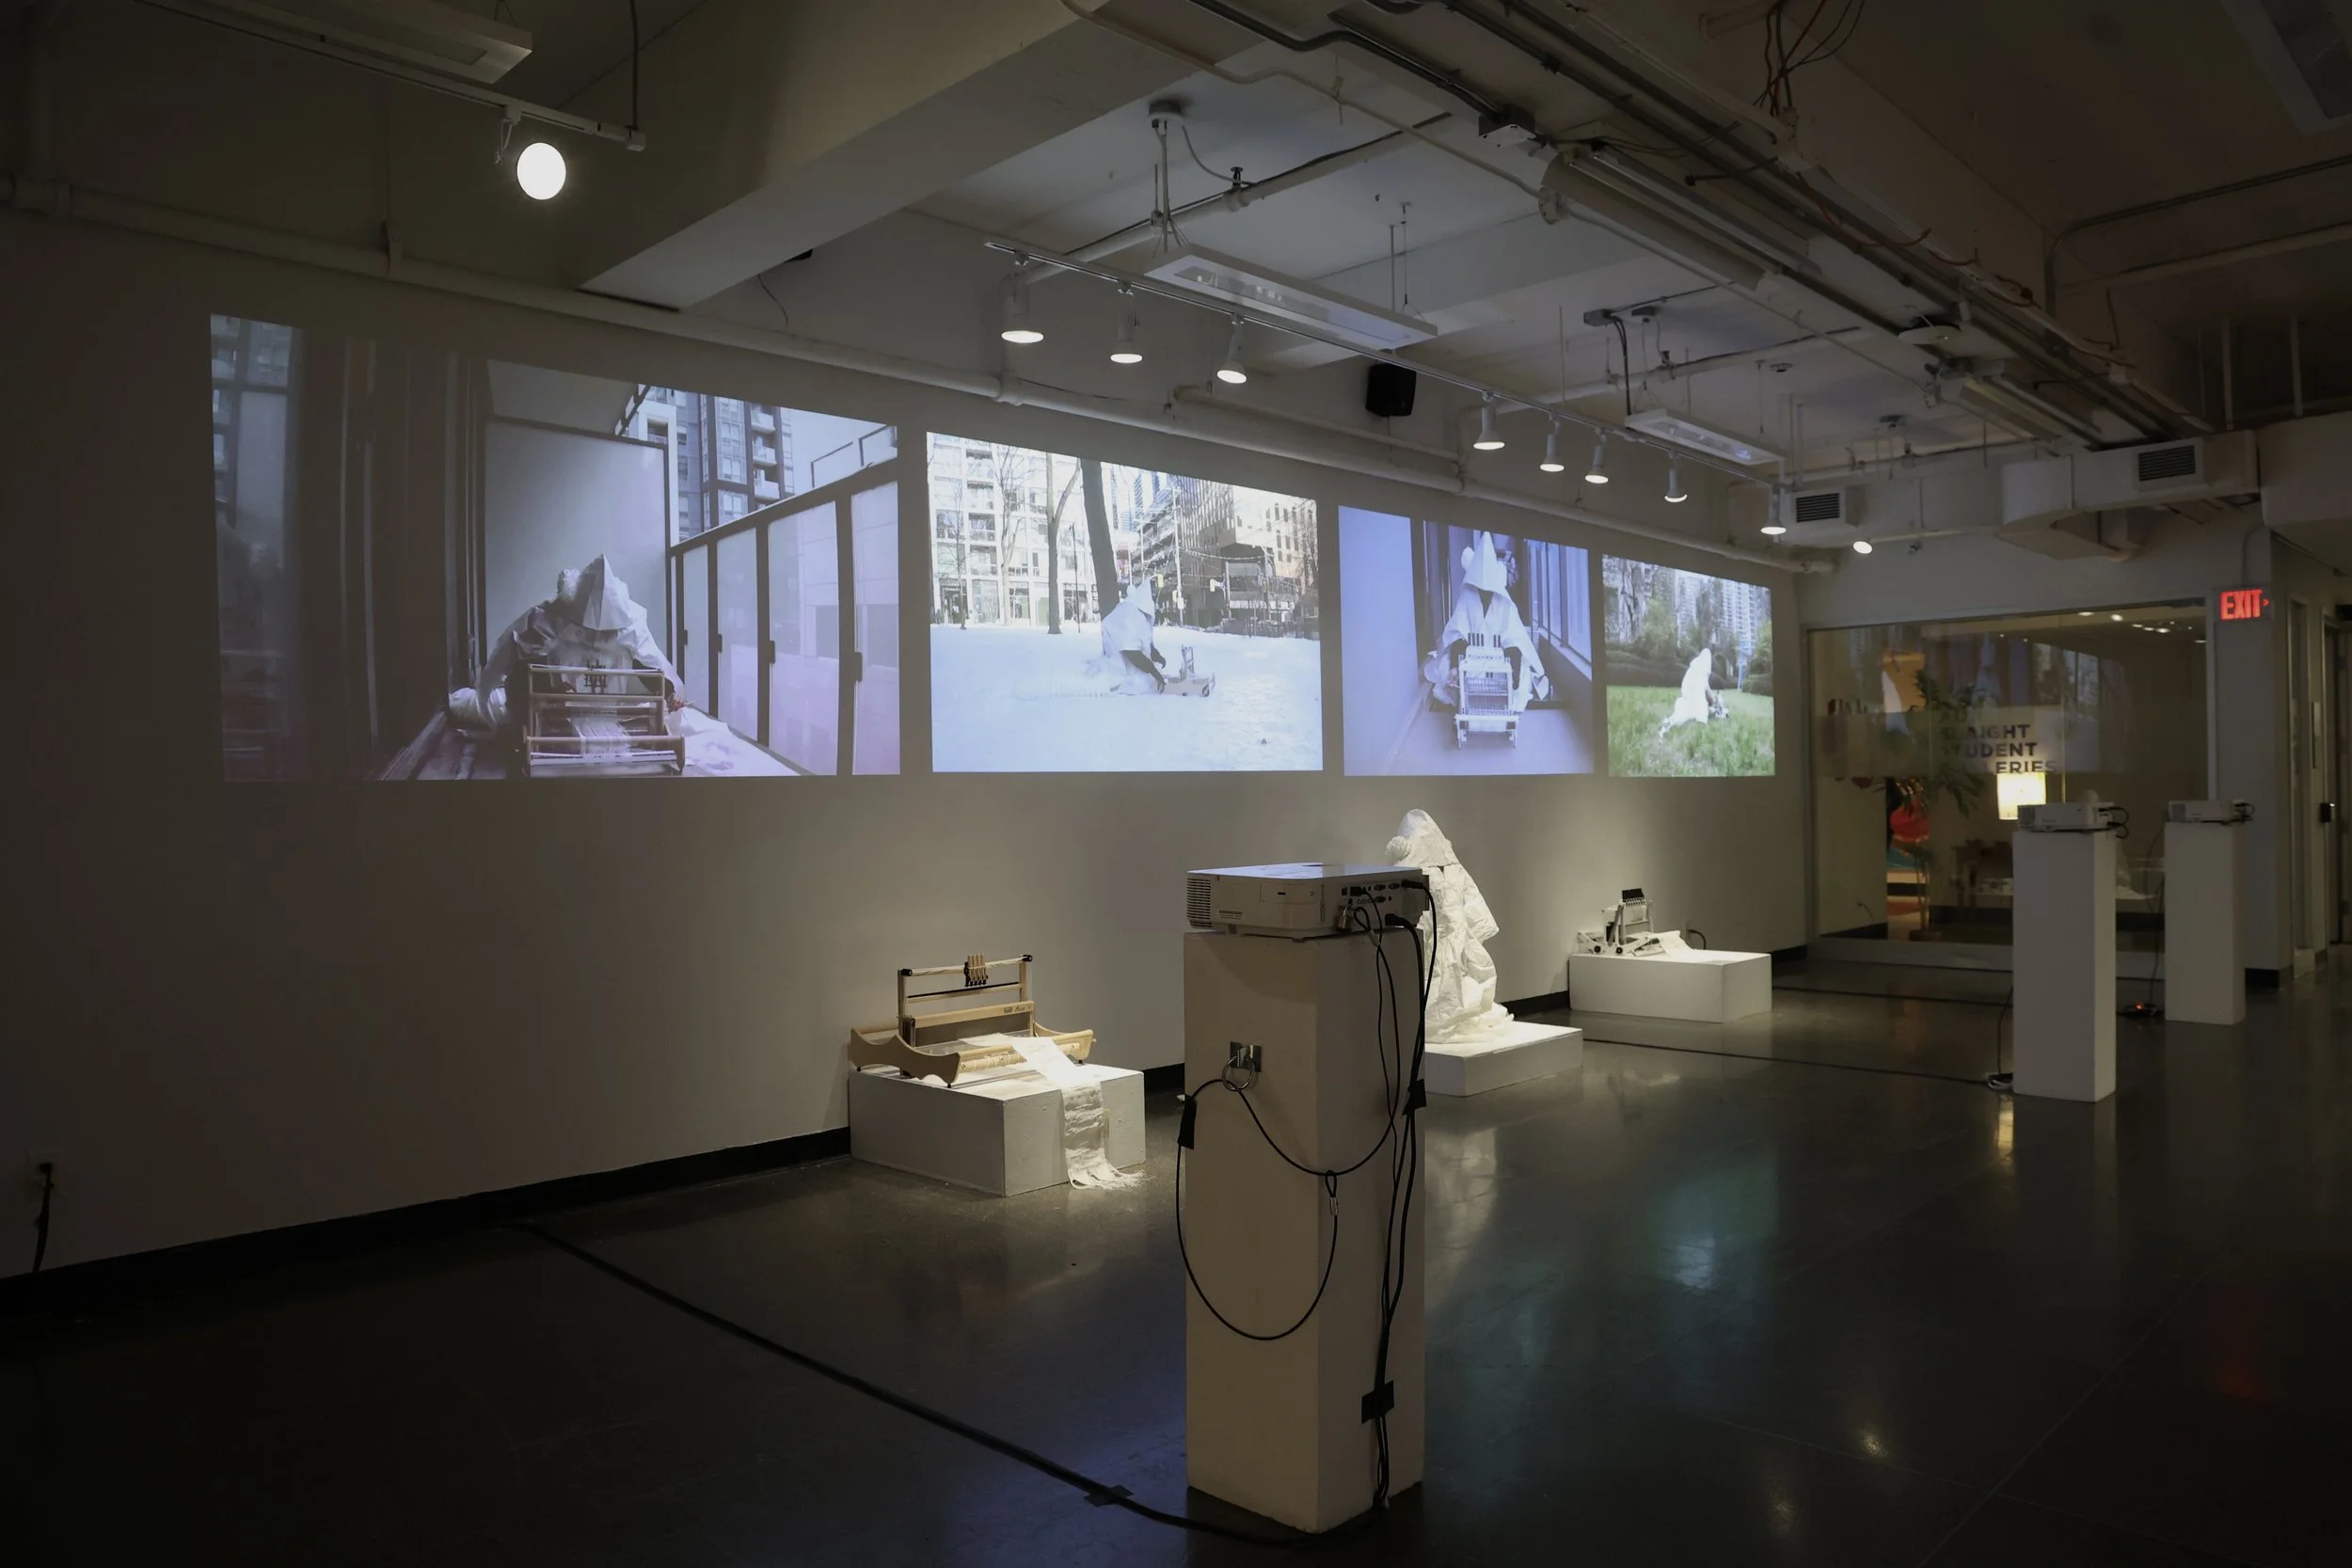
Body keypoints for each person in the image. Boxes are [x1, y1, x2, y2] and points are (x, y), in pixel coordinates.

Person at [448, 555, 679, 732]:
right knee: (461, 705)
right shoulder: (547, 619)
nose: (596, 638)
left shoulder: (629, 626)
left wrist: (671, 693)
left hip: (604, 715)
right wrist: (547, 693)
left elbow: (654, 667)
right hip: (552, 714)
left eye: (605, 634)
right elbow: (510, 666)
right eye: (589, 632)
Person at [1423, 531, 1541, 708]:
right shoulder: (1468, 596)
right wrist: (1457, 665)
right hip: (1470, 659)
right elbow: (1457, 633)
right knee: (1449, 674)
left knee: (1518, 681)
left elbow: (1514, 638)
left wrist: (1512, 670)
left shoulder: (1503, 601)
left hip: (1500, 661)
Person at [1099, 574, 1168, 691]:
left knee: (1142, 681)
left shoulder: (1143, 614)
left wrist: (1155, 655)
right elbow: (1131, 652)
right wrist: (1153, 671)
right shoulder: (1130, 614)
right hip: (1117, 658)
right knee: (1129, 680)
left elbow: (1144, 641)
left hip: (1130, 659)